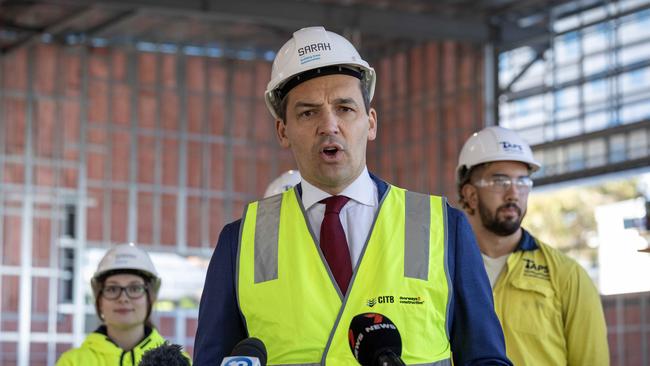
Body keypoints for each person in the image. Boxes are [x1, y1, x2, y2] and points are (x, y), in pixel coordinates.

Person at [194, 26, 511, 365]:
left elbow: (485, 357)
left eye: (345, 108)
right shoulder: (240, 242)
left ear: (370, 123)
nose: (329, 125)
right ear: (282, 131)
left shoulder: (443, 228)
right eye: (308, 112)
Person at [456, 126, 610, 365]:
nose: (513, 193)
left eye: (522, 181)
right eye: (500, 181)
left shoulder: (567, 276)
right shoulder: (443, 271)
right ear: (470, 194)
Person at [57, 243, 191, 366]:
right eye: (112, 289)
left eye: (135, 288)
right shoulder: (72, 362)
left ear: (150, 298)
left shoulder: (176, 362)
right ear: (99, 300)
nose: (123, 298)